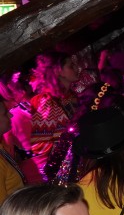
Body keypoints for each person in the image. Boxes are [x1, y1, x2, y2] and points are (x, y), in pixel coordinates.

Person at [18, 51, 81, 183]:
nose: (77, 68)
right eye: (71, 66)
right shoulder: (47, 101)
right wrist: (65, 141)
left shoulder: (71, 95)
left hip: (80, 159)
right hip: (66, 169)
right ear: (59, 71)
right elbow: (40, 145)